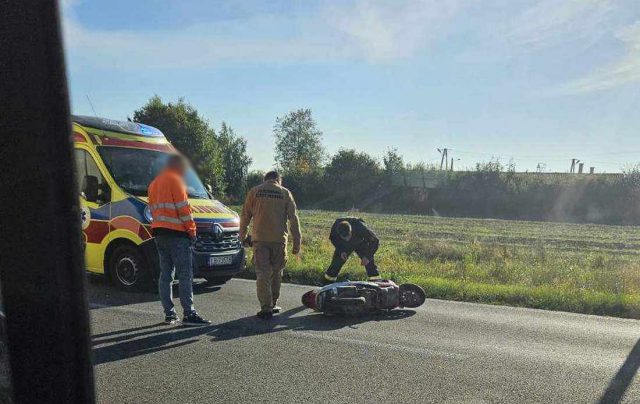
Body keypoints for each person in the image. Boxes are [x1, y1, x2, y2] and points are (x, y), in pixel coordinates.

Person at [148, 154, 211, 326]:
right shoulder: (175, 181)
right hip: (177, 235)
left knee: (166, 275)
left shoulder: (153, 185)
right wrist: (192, 231)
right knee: (185, 274)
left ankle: (169, 314)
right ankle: (189, 313)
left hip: (159, 234)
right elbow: (184, 210)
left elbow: (153, 210)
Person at [239, 171, 301, 320]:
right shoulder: (285, 193)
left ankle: (266, 308)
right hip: (279, 241)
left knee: (263, 273)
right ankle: (273, 303)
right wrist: (297, 243)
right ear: (278, 180)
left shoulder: (255, 191)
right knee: (277, 272)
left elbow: (245, 216)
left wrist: (243, 236)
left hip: (260, 240)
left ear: (265, 179)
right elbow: (294, 219)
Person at [322, 218, 380, 284]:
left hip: (361, 242)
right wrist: (341, 250)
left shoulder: (361, 227)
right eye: (344, 237)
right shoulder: (335, 227)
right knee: (336, 263)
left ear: (350, 231)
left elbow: (375, 241)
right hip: (344, 246)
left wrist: (367, 256)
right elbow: (333, 239)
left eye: (348, 236)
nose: (347, 239)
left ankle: (377, 283)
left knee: (369, 264)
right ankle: (327, 284)